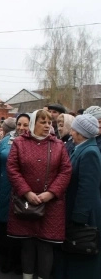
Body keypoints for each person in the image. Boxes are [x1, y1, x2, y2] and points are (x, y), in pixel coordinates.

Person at [7, 109, 72, 279]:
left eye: (49, 122)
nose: (47, 125)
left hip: (51, 205)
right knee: (27, 244)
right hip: (25, 202)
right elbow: (12, 169)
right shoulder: (19, 143)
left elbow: (65, 171)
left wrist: (51, 193)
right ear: (34, 123)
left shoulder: (58, 145)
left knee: (46, 246)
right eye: (43, 122)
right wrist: (26, 192)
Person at [54, 114, 101, 279]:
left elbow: (87, 188)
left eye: (74, 129)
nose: (71, 132)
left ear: (81, 132)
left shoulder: (90, 152)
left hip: (85, 214)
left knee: (82, 251)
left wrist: (79, 217)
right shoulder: (81, 148)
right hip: (76, 209)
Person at [0, 114, 28, 274]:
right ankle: (5, 260)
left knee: (22, 225)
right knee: (5, 225)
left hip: (24, 191)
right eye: (19, 124)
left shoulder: (34, 142)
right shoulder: (6, 141)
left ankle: (19, 263)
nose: (21, 128)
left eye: (25, 125)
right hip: (5, 188)